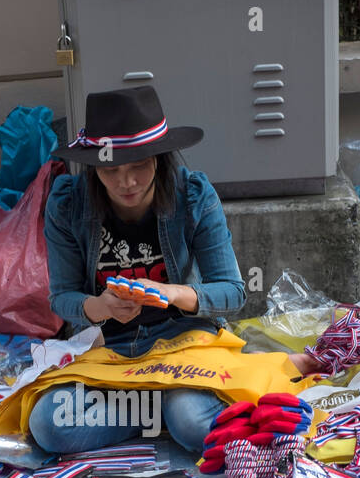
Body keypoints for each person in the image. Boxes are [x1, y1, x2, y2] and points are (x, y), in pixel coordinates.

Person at [28, 86, 246, 455]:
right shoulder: (67, 204)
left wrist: (171, 294)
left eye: (138, 166)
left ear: (159, 159)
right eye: (111, 169)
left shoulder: (193, 196)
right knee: (49, 424)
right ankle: (165, 407)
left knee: (194, 424)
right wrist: (101, 307)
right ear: (93, 166)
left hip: (180, 343)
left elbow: (233, 292)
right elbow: (61, 298)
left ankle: (163, 407)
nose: (126, 182)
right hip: (108, 349)